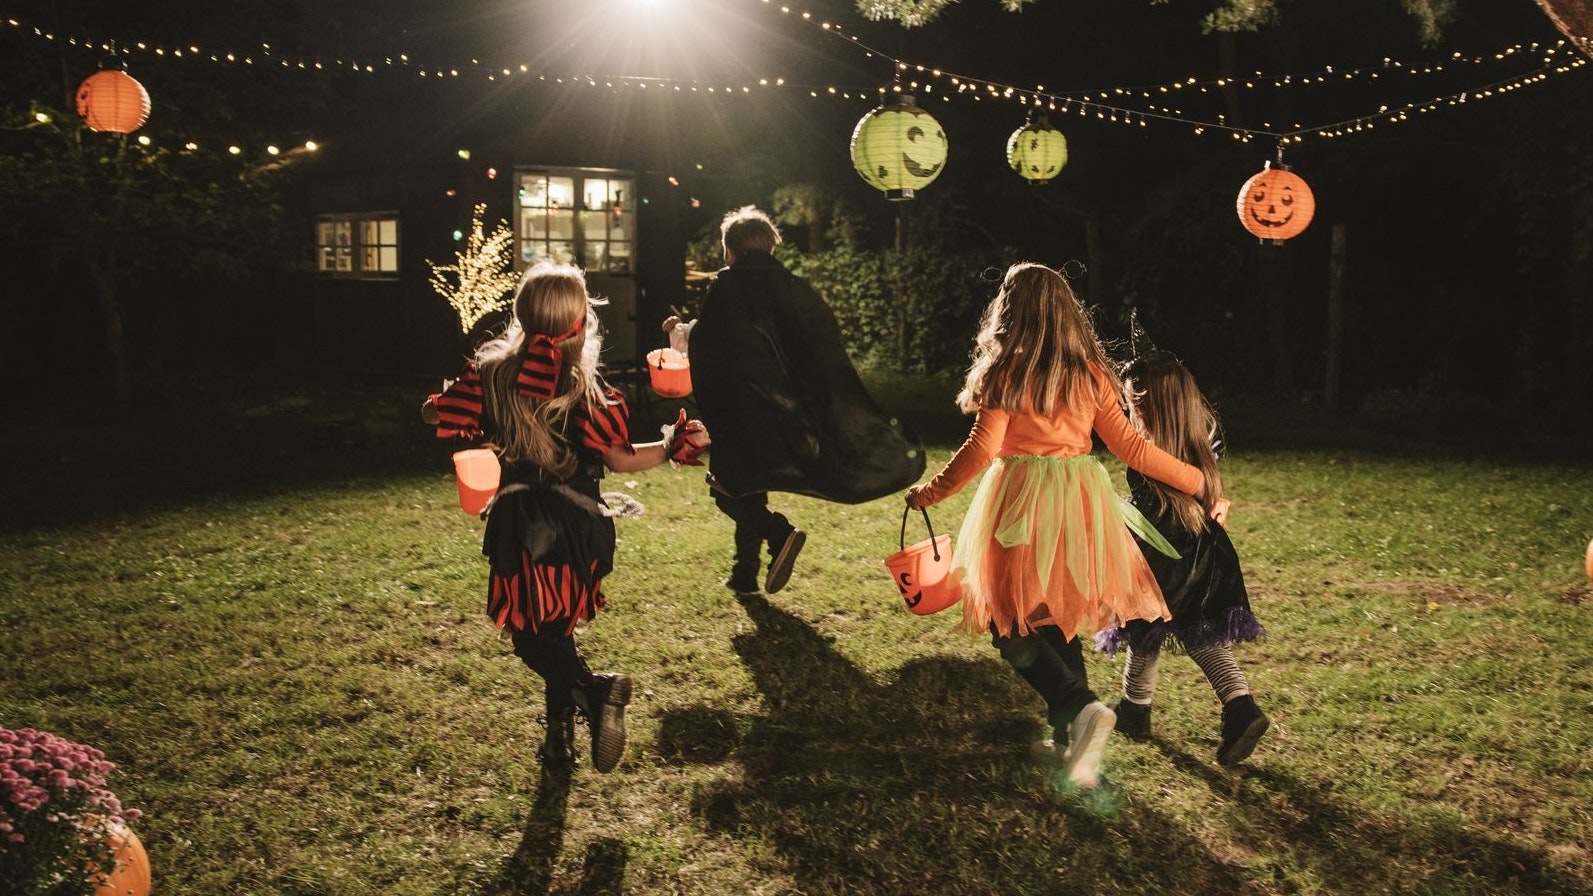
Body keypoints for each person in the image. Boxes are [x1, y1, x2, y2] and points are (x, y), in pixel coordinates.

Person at [905, 262, 1204, 790]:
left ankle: (1077, 705)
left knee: (1008, 620)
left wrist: (929, 492)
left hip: (1022, 503)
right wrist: (1195, 481)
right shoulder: (1089, 372)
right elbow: (1132, 448)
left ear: (1008, 312)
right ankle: (1073, 746)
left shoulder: (1008, 373)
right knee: (1057, 615)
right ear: (1068, 313)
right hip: (1080, 504)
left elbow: (981, 450)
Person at [422, 262, 709, 773]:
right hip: (578, 526)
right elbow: (621, 457)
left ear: (522, 315)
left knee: (533, 636)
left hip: (520, 525)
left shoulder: (490, 374)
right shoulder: (584, 389)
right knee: (554, 628)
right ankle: (559, 738)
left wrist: (447, 401)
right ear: (579, 324)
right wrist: (669, 446)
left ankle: (591, 692)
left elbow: (440, 415)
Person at [674, 205, 925, 596]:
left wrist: (683, 332)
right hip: (792, 412)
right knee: (750, 485)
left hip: (743, 411)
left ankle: (779, 534)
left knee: (726, 489)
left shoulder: (727, 288)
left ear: (729, 251)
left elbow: (714, 344)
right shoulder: (796, 288)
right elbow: (822, 344)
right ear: (772, 249)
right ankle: (745, 574)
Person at [1099, 341, 1269, 767]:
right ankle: (1136, 709)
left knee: (1160, 629)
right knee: (1176, 630)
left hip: (1161, 555)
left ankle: (1239, 706)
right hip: (1203, 550)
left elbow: (1174, 487)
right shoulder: (1198, 438)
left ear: (1145, 406)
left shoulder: (1147, 451)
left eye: (1129, 403)